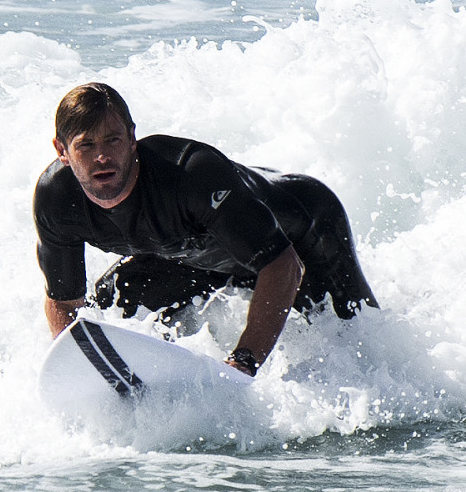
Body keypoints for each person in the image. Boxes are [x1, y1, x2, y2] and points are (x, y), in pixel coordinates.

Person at [34, 82, 378, 376]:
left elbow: (283, 265)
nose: (102, 157)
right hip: (198, 257)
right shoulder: (57, 200)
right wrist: (87, 367)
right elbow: (64, 303)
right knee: (110, 307)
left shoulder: (191, 176)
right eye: (86, 145)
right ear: (62, 150)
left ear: (132, 138)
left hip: (305, 235)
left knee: (359, 346)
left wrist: (242, 363)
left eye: (113, 140)